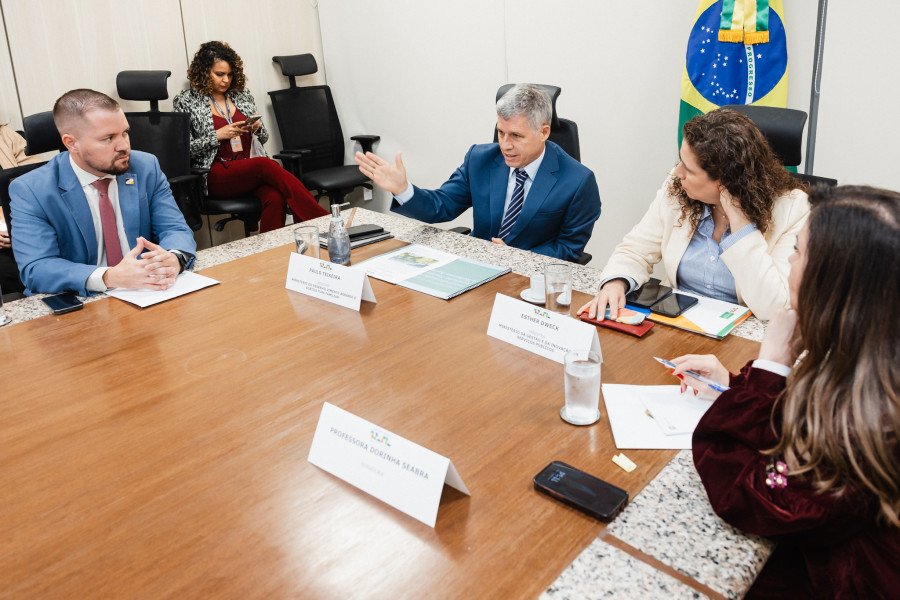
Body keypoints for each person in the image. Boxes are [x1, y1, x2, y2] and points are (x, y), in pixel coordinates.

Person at [671, 185, 899, 598]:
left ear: (831, 279)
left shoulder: (874, 422)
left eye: (797, 251)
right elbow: (801, 425)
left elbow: (746, 494)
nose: (790, 262)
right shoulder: (873, 360)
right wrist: (743, 385)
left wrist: (773, 360)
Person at [578, 108, 808, 321]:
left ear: (725, 180)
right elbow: (636, 249)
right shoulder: (677, 189)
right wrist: (616, 282)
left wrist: (740, 223)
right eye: (680, 161)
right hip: (678, 321)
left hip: (742, 335)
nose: (677, 172)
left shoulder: (792, 208)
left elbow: (774, 307)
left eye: (688, 169)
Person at [355, 84, 600, 262]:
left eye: (516, 136)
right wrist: (403, 189)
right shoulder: (480, 159)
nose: (505, 145)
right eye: (501, 132)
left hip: (533, 280)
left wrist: (517, 257)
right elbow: (442, 206)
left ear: (544, 132)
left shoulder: (579, 181)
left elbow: (568, 248)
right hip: (478, 269)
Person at [9, 89, 196, 296]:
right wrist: (108, 277)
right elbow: (37, 268)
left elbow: (175, 229)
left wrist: (174, 258)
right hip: (79, 300)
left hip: (147, 292)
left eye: (125, 132)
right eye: (108, 138)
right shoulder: (31, 190)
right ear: (71, 143)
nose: (124, 146)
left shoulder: (145, 166)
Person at [173, 41, 327, 233]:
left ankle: (270, 253)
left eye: (229, 74)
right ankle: (321, 221)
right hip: (215, 174)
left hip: (248, 168)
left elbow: (263, 138)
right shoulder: (187, 101)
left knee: (275, 197)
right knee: (265, 164)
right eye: (219, 74)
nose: (226, 80)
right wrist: (217, 135)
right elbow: (182, 151)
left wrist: (257, 128)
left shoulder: (242, 96)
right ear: (204, 72)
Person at [1, 122, 46, 295]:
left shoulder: (5, 134)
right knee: (9, 274)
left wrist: (22, 222)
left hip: (21, 220)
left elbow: (38, 177)